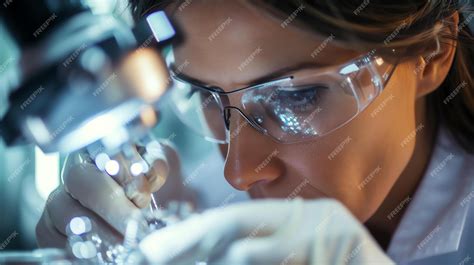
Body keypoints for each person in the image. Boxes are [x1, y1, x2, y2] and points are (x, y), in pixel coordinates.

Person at [36, 0, 474, 264]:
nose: (239, 173)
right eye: (208, 96)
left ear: (432, 53)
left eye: (296, 98)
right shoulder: (191, 199)